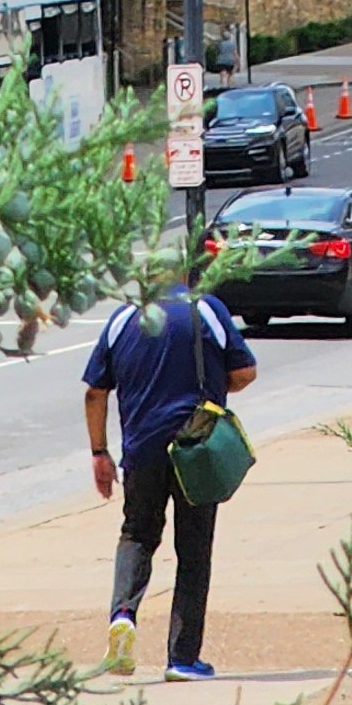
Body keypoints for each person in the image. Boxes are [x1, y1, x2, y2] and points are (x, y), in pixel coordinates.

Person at [82, 276, 256, 682]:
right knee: (193, 550)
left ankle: (123, 614)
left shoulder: (122, 317)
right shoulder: (205, 309)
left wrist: (99, 452)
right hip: (195, 448)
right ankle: (182, 659)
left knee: (137, 535)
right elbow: (245, 371)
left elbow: (95, 392)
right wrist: (213, 386)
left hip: (141, 450)